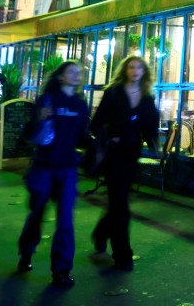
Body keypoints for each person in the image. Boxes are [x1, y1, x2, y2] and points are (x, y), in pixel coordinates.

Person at [17, 60, 92, 288]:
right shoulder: (48, 99)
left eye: (79, 72)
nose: (77, 75)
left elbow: (81, 136)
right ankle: (26, 252)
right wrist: (40, 118)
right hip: (44, 166)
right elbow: (29, 133)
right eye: (72, 72)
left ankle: (61, 270)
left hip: (68, 168)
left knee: (65, 221)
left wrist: (97, 143)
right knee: (37, 213)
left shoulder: (80, 104)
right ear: (61, 77)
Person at [89, 55, 160, 271]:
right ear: (125, 70)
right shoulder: (114, 93)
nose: (135, 70)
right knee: (121, 204)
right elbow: (97, 122)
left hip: (131, 154)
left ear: (144, 72)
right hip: (113, 154)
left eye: (139, 67)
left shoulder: (147, 98)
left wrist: (155, 147)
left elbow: (150, 125)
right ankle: (123, 254)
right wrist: (110, 136)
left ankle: (101, 233)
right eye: (132, 67)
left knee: (119, 202)